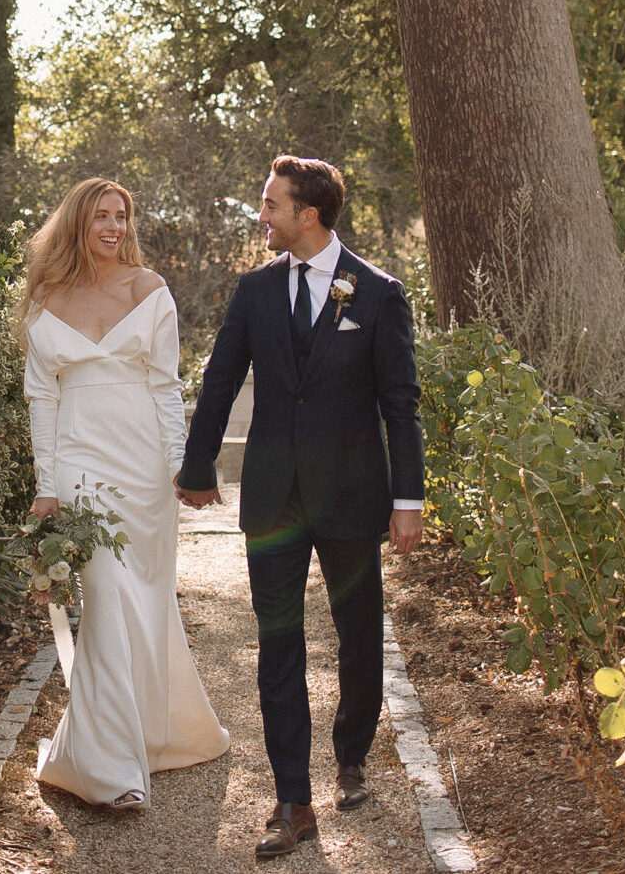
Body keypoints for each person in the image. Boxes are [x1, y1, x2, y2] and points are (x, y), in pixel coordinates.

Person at [175, 156, 425, 857]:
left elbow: (398, 404)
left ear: (307, 214)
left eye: (270, 204)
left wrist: (408, 497)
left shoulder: (376, 293)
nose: (262, 216)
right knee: (277, 645)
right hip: (273, 499)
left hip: (351, 494)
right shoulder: (253, 292)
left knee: (358, 636)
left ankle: (351, 753)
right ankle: (291, 798)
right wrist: (196, 467)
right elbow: (219, 377)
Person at [19, 176, 230, 810]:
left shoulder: (151, 290)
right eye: (102, 216)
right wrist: (47, 487)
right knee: (107, 598)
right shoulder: (48, 298)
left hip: (145, 470)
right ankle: (109, 771)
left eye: (122, 216)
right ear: (78, 224)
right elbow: (42, 396)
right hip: (82, 463)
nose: (114, 226)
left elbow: (167, 387)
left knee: (147, 600)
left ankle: (159, 734)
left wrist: (181, 466)